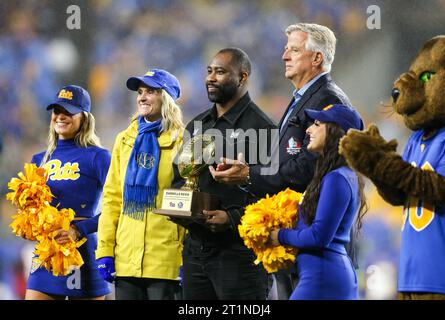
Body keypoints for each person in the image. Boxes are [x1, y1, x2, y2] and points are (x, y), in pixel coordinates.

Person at [210, 23, 356, 299]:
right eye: (286, 48)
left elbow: (307, 168)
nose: (284, 56)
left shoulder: (327, 99)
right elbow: (286, 159)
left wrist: (249, 175)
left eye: (294, 50)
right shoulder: (303, 97)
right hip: (295, 236)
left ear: (317, 58)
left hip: (309, 239)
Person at [171, 47, 276, 300]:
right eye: (209, 71)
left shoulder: (265, 128)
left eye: (220, 72)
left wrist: (232, 218)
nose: (211, 78)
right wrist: (181, 208)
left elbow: (275, 195)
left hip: (240, 255)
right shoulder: (196, 125)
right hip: (195, 253)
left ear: (242, 77)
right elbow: (180, 178)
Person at [95, 68, 185, 300]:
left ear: (166, 98)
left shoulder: (184, 141)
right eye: (140, 92)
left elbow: (189, 199)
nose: (142, 97)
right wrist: (105, 251)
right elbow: (112, 198)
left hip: (166, 259)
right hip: (126, 259)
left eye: (151, 91)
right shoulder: (124, 139)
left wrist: (187, 256)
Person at [269, 104, 367, 300]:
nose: (308, 129)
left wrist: (280, 235)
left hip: (322, 277)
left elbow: (319, 237)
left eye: (317, 124)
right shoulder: (339, 174)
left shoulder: (337, 178)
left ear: (335, 132)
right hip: (322, 274)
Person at [26, 85, 111, 300]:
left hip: (82, 250)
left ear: (84, 118)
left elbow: (117, 207)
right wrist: (29, 224)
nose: (60, 117)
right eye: (56, 111)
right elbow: (33, 211)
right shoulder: (39, 160)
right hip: (47, 250)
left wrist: (79, 229)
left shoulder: (98, 157)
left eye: (69, 111)